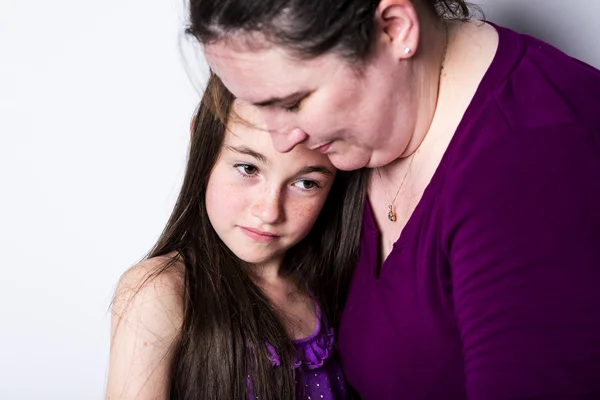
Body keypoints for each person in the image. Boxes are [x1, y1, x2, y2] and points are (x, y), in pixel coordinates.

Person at [187, 0, 600, 398]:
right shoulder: (368, 135)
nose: (284, 139)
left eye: (293, 102)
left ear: (395, 28)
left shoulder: (536, 161)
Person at [105, 74, 367, 400]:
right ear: (202, 141)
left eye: (306, 184)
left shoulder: (332, 284)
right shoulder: (160, 291)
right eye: (248, 168)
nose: (270, 211)